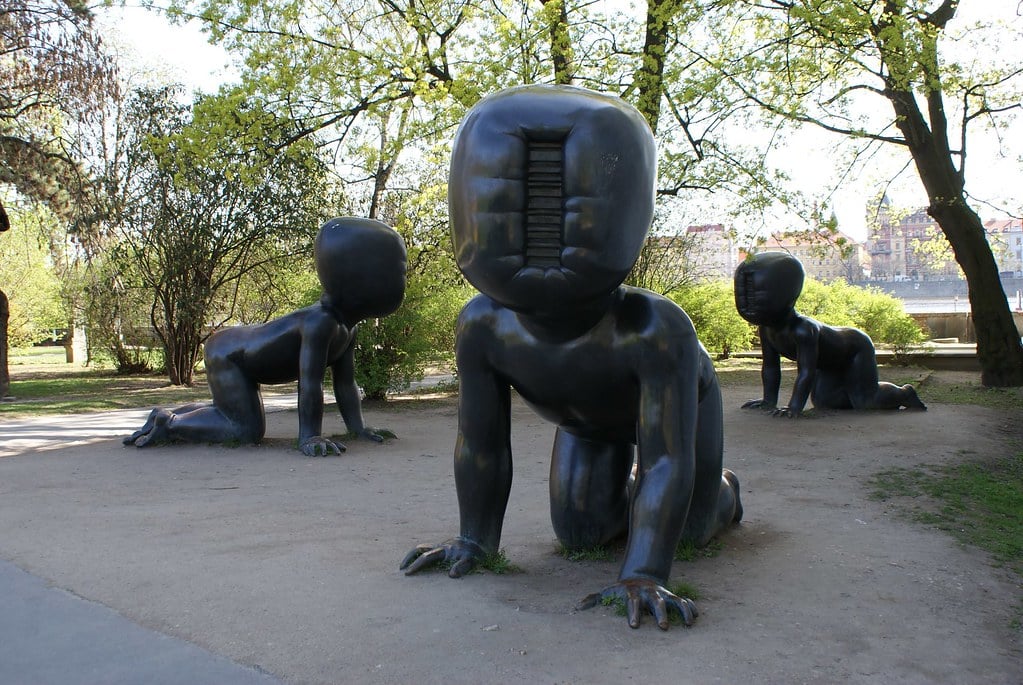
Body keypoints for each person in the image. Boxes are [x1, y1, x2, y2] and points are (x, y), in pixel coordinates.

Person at [401, 85, 741, 631]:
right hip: (587, 422)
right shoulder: (484, 327)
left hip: (678, 411)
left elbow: (665, 458)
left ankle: (723, 489)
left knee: (695, 529)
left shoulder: (656, 331)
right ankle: (636, 501)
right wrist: (475, 539)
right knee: (581, 532)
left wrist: (645, 572)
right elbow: (481, 442)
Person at [123, 217, 407, 455]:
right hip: (231, 355)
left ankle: (186, 414)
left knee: (232, 414)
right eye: (396, 270)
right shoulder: (322, 323)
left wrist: (357, 429)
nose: (402, 277)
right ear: (360, 278)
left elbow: (345, 384)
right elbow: (310, 385)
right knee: (245, 430)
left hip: (236, 346)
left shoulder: (346, 327)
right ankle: (169, 422)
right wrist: (309, 437)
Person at [734, 251, 926, 416]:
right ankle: (851, 389)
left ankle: (904, 393)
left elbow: (807, 372)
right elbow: (770, 367)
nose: (748, 302)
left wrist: (794, 407)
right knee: (825, 403)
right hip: (827, 364)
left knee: (865, 402)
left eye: (754, 294)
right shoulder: (767, 329)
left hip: (855, 349)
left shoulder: (803, 330)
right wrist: (769, 401)